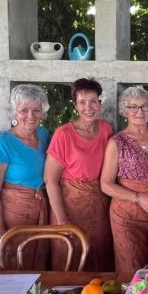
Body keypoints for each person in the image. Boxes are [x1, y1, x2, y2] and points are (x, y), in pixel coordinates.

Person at [44, 78, 113, 271]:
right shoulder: (63, 134)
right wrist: (62, 219)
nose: (88, 107)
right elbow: (50, 180)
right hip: (70, 206)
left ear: (100, 103)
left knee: (99, 257)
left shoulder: (106, 129)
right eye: (82, 102)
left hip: (99, 206)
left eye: (93, 101)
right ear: (75, 105)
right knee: (70, 258)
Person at [0, 84, 51, 270]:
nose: (30, 116)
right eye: (24, 110)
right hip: (13, 214)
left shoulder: (43, 134)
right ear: (14, 112)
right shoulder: (1, 143)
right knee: (12, 262)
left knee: (37, 263)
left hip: (40, 209)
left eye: (36, 110)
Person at [100, 86, 148, 271]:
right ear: (124, 111)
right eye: (133, 107)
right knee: (133, 270)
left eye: (145, 106)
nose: (140, 112)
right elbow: (106, 184)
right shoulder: (116, 142)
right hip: (127, 216)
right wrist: (138, 197)